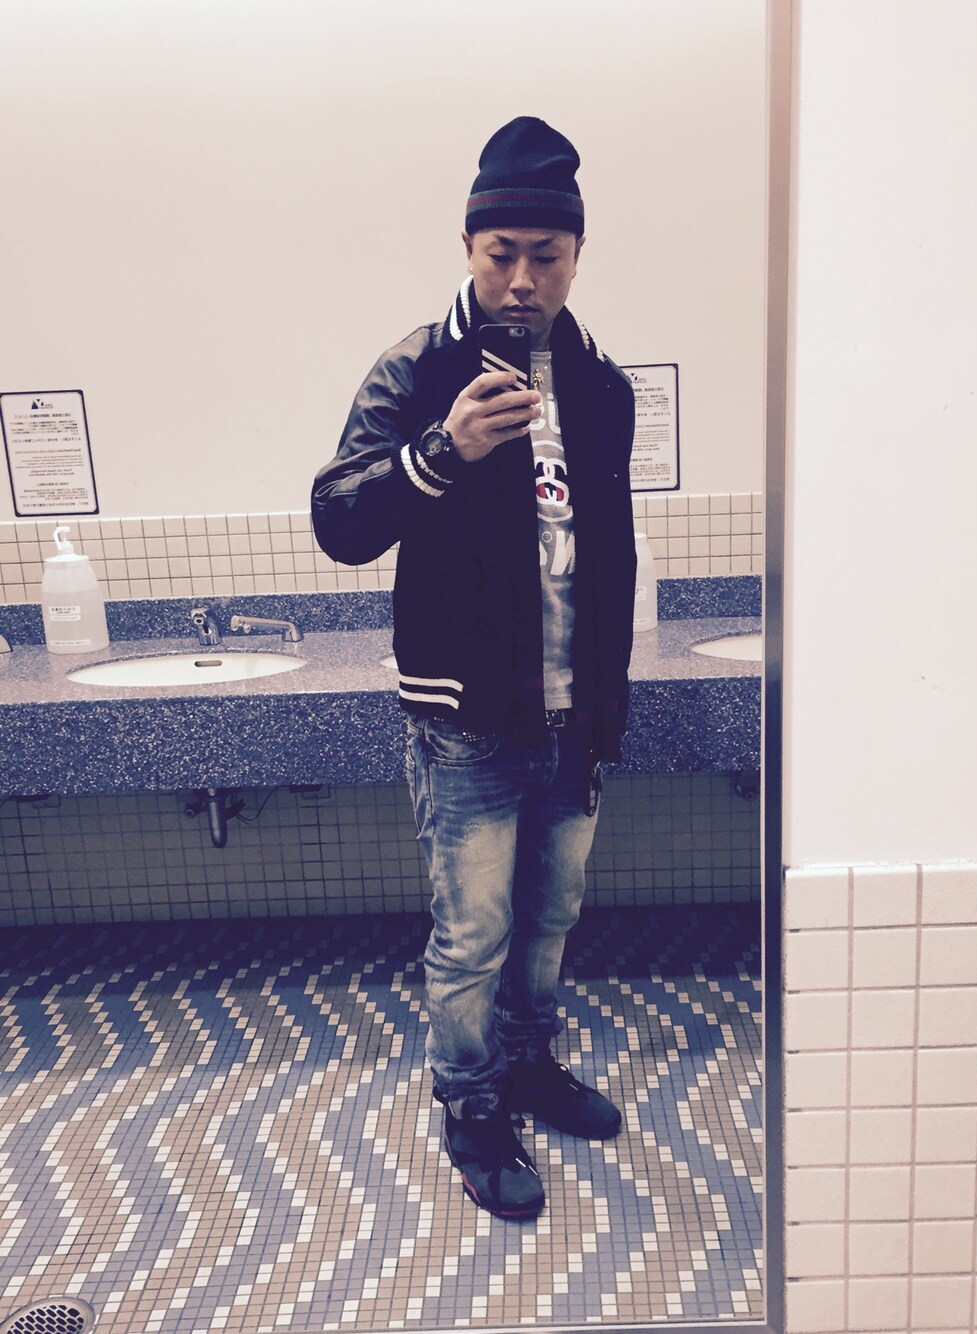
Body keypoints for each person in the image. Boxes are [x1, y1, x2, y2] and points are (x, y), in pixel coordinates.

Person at [311, 116, 636, 1220]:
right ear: (467, 247)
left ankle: (530, 1065)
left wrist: (607, 703)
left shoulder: (601, 384)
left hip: (572, 717)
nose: (522, 278)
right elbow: (338, 521)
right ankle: (471, 1101)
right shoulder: (417, 368)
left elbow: (608, 553)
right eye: (502, 253)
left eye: (547, 254)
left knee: (551, 920)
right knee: (473, 936)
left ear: (577, 256)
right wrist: (443, 449)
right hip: (464, 724)